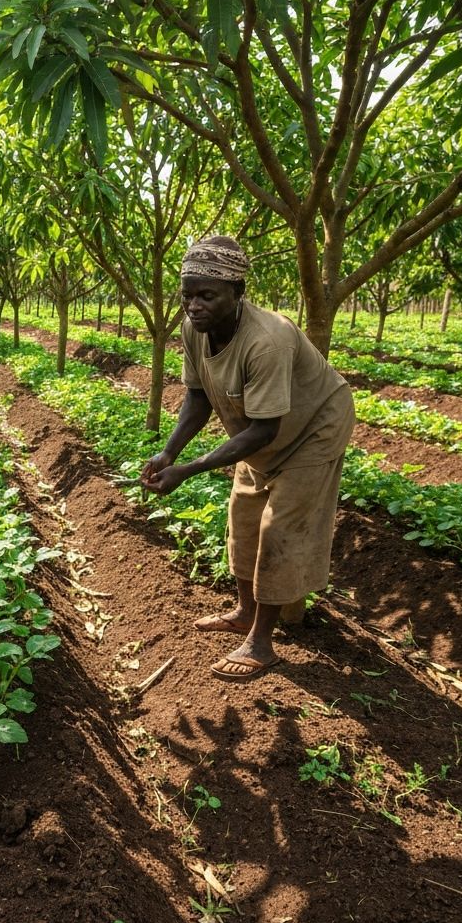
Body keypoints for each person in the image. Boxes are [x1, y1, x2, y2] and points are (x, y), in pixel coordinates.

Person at [140, 235, 355, 681]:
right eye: (187, 295)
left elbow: (266, 430)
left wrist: (193, 468)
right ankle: (243, 610)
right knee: (242, 515)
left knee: (280, 527)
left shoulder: (267, 340)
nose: (193, 305)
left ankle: (261, 642)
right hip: (262, 431)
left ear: (238, 294)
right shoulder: (192, 328)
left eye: (206, 295)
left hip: (314, 428)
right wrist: (168, 452)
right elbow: (198, 397)